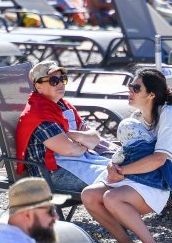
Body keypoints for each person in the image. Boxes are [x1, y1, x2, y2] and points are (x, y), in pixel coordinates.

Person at [82, 69, 172, 243]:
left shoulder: (168, 116)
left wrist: (122, 171)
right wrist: (113, 165)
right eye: (130, 87)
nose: (130, 91)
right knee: (89, 195)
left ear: (152, 94)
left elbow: (158, 160)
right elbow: (127, 150)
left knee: (112, 197)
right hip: (142, 178)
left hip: (171, 186)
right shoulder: (138, 117)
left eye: (136, 88)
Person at [16, 61, 110, 192]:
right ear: (38, 86)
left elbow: (95, 139)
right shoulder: (36, 114)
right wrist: (84, 141)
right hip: (52, 175)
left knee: (125, 168)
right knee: (117, 177)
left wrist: (72, 136)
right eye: (54, 80)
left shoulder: (64, 106)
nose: (60, 83)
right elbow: (70, 150)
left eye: (63, 79)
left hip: (78, 163)